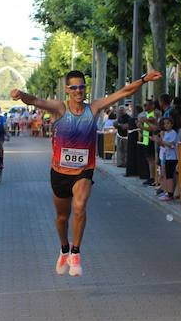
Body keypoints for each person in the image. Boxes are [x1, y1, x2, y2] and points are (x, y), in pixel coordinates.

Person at [10, 69, 162, 277]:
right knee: (62, 217)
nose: (79, 91)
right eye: (74, 87)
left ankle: (75, 252)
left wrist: (144, 79)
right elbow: (34, 100)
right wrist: (20, 94)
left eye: (82, 87)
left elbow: (123, 92)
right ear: (68, 89)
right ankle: (64, 248)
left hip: (84, 170)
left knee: (80, 206)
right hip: (59, 171)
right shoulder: (59, 108)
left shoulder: (95, 107)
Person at [152, 116, 178, 202]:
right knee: (166, 175)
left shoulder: (173, 133)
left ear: (172, 124)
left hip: (172, 157)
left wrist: (161, 141)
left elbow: (170, 144)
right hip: (166, 156)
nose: (166, 125)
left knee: (170, 175)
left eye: (168, 123)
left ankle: (170, 194)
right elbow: (164, 145)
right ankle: (167, 191)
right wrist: (158, 141)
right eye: (165, 124)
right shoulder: (166, 133)